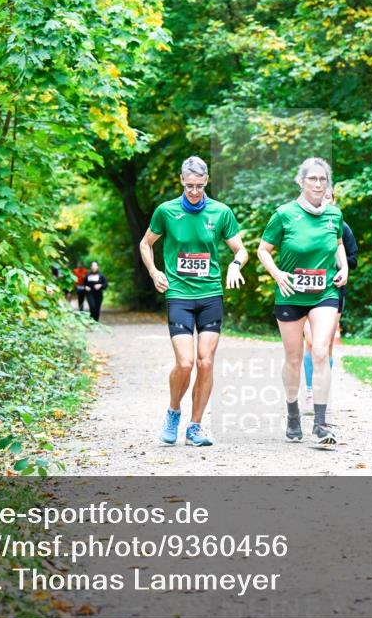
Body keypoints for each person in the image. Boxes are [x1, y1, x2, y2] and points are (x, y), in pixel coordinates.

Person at [139, 156, 247, 447]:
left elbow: (241, 250)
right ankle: (174, 410)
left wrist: (235, 264)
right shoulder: (167, 211)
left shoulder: (221, 212)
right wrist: (154, 271)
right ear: (181, 181)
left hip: (210, 294)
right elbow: (146, 243)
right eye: (189, 186)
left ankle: (195, 426)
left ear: (207, 181)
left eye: (199, 186)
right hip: (179, 295)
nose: (195, 192)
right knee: (185, 363)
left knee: (206, 361)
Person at [257, 157, 347, 445]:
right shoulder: (284, 214)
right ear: (301, 181)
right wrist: (277, 274)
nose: (318, 184)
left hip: (324, 293)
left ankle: (321, 424)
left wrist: (343, 267)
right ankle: (293, 411)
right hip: (291, 294)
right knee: (294, 358)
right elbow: (263, 250)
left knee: (321, 352)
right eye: (313, 179)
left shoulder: (335, 215)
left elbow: (339, 244)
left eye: (323, 180)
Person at [303, 187, 358, 410]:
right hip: (304, 290)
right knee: (310, 342)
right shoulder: (302, 223)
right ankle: (309, 392)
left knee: (325, 346)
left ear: (333, 201)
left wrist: (340, 267)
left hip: (332, 291)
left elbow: (353, 259)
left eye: (328, 197)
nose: (323, 201)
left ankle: (321, 391)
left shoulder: (341, 227)